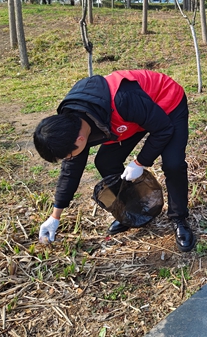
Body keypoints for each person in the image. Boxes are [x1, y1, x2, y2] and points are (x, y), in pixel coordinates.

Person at [33, 70, 196, 252]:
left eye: (68, 155)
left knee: (173, 164)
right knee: (106, 162)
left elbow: (164, 129)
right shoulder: (72, 121)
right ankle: (132, 211)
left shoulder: (122, 100)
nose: (69, 160)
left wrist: (140, 162)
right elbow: (70, 170)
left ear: (79, 141)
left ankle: (179, 218)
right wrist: (55, 215)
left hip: (165, 101)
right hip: (135, 116)